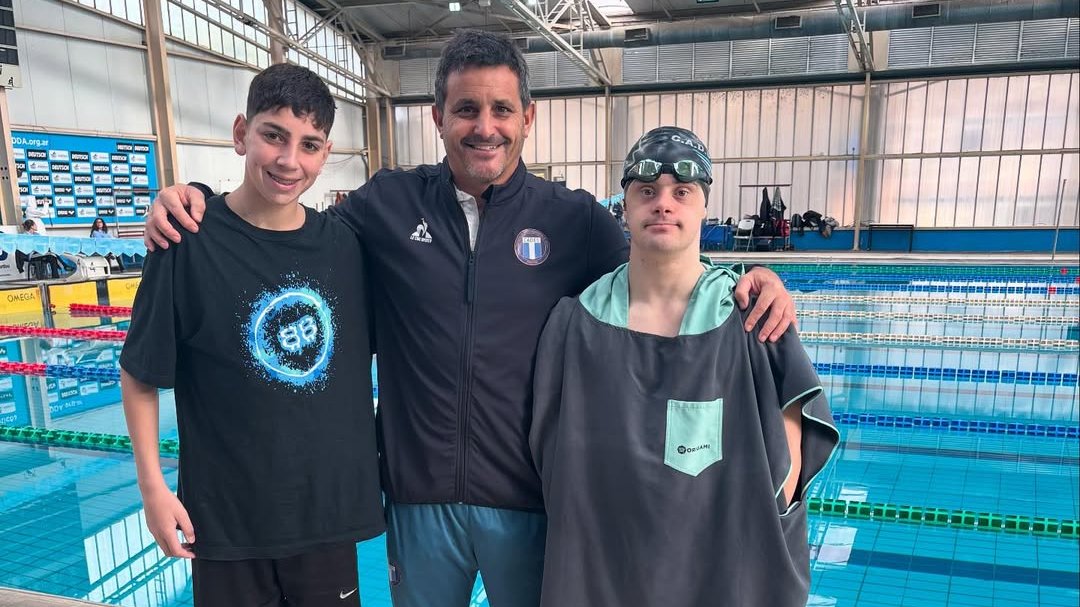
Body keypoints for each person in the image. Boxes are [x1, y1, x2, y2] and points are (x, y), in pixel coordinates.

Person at [143, 30, 797, 607]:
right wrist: (198, 200)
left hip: (529, 503)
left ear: (527, 118)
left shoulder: (573, 220)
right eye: (466, 110)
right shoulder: (387, 205)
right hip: (418, 501)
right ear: (438, 117)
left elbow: (659, 266)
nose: (485, 127)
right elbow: (287, 229)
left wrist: (748, 279)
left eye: (501, 109)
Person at [529, 127, 840, 606]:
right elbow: (548, 453)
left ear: (703, 206)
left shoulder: (751, 319)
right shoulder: (577, 322)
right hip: (604, 574)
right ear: (625, 205)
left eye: (682, 192)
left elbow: (788, 467)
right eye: (647, 191)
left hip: (715, 574)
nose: (663, 204)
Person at [119, 63, 384, 607]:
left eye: (309, 145)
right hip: (225, 525)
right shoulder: (186, 242)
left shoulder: (347, 248)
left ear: (326, 154)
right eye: (273, 136)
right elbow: (140, 373)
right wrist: (152, 488)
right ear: (241, 133)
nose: (289, 160)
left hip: (326, 521)